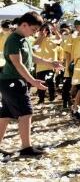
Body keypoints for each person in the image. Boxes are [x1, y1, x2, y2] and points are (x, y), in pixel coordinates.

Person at [0, 12, 63, 157]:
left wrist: (50, 63)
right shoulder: (13, 40)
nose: (34, 33)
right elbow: (18, 64)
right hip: (12, 81)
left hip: (12, 81)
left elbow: (31, 57)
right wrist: (32, 81)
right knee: (26, 112)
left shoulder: (25, 39)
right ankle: (26, 148)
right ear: (24, 25)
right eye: (33, 29)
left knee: (5, 115)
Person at [33, 23, 63, 105]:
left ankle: (52, 97)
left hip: (52, 65)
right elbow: (35, 47)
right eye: (42, 30)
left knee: (50, 81)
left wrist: (55, 30)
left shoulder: (53, 39)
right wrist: (42, 36)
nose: (45, 31)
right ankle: (41, 99)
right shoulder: (37, 39)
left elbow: (60, 39)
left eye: (46, 30)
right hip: (40, 66)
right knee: (41, 83)